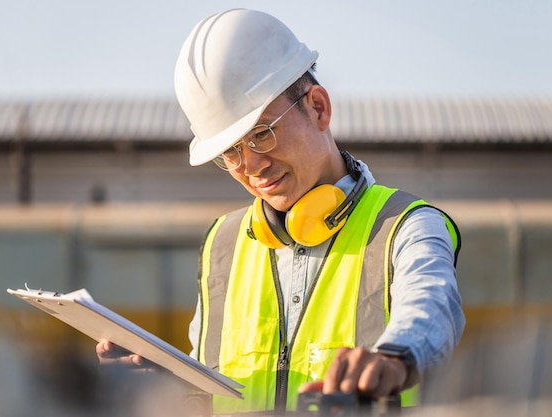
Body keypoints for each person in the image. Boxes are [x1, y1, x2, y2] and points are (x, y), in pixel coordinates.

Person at [97, 8, 465, 415]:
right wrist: (170, 386)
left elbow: (432, 309)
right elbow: (213, 391)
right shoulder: (221, 244)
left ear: (318, 108)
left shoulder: (405, 226)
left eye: (262, 134)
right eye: (230, 152)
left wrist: (394, 358)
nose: (252, 167)